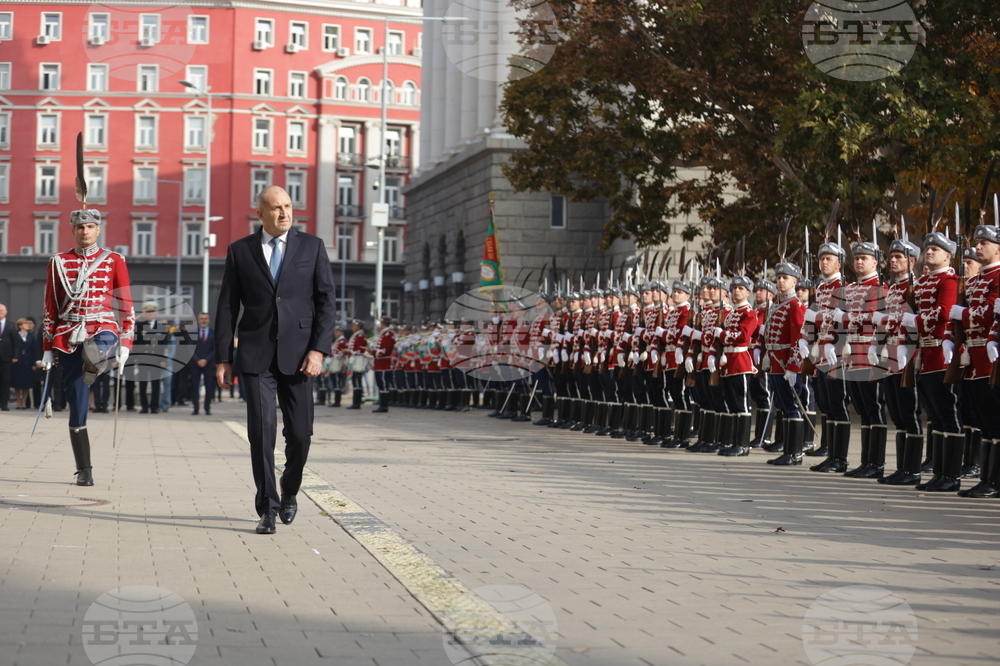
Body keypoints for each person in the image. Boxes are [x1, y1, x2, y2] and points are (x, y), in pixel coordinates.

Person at [215, 185, 336, 535]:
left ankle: (289, 490)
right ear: (260, 214)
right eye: (276, 208)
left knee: (300, 435)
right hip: (256, 355)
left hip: (300, 357)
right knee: (261, 431)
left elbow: (327, 302)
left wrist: (318, 350)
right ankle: (266, 507)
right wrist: (223, 358)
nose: (284, 213)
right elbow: (227, 305)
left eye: (287, 206)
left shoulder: (312, 246)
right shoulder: (240, 251)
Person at [40, 207, 134, 486]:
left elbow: (125, 304)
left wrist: (126, 344)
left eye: (90, 226)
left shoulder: (114, 260)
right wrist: (47, 348)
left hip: (102, 326)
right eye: (80, 227)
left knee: (97, 345)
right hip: (67, 336)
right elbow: (50, 306)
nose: (85, 231)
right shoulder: (58, 261)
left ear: (98, 229)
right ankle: (84, 469)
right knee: (77, 406)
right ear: (73, 230)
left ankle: (97, 358)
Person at [190, 312, 216, 415]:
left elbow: (215, 349)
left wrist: (206, 360)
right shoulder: (192, 333)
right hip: (195, 364)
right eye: (202, 318)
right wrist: (197, 360)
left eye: (205, 318)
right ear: (198, 320)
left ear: (208, 320)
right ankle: (195, 408)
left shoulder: (214, 333)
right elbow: (189, 349)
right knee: (194, 386)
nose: (204, 320)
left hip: (209, 364)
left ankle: (207, 408)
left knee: (209, 386)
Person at [12, 318, 38, 409]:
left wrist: (34, 363)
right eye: (25, 323)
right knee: (17, 383)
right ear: (20, 326)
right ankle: (18, 402)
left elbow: (34, 349)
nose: (28, 325)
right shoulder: (15, 334)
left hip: (28, 361)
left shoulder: (31, 335)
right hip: (18, 361)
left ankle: (24, 402)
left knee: (26, 383)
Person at [372, 315, 395, 413]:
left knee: (384, 385)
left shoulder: (388, 334)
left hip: (384, 364)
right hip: (380, 364)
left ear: (382, 323)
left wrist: (372, 352)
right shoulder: (385, 333)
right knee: (381, 385)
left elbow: (386, 350)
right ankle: (382, 405)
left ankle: (384, 406)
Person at [0, 303, 14, 411]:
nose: (0, 312)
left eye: (2, 310)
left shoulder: (11, 325)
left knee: (5, 381)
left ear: (6, 312)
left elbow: (15, 342)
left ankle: (4, 403)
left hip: (6, 358)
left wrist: (15, 356)